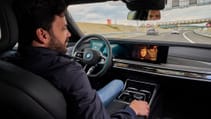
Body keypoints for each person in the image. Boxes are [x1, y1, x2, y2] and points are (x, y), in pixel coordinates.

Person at [12, 0, 150, 119]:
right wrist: (132, 110)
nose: (69, 34)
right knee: (119, 83)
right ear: (43, 35)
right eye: (64, 28)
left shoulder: (10, 62)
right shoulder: (70, 72)